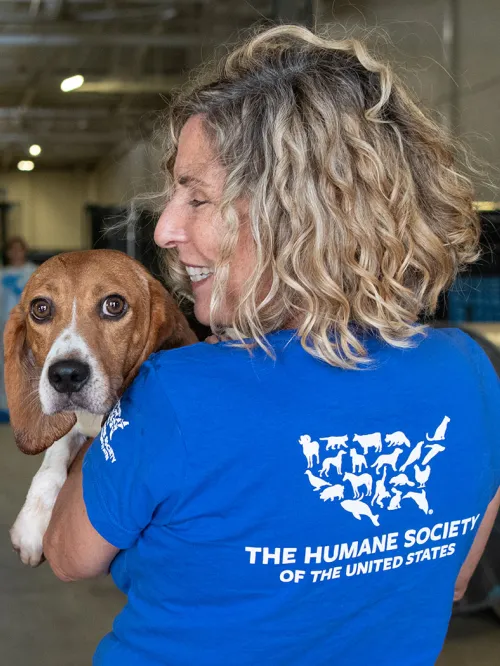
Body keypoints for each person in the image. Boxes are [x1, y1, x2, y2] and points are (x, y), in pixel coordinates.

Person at [44, 25, 500, 666]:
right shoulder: (473, 373)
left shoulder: (177, 392)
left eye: (197, 197)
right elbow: (452, 580)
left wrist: (96, 432)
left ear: (299, 215)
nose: (167, 228)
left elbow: (67, 554)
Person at [0, 236, 36, 420]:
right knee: (4, 364)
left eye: (18, 249)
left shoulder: (33, 272)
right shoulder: (2, 274)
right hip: (3, 327)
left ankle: (27, 406)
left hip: (27, 327)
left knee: (27, 362)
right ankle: (5, 406)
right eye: (11, 249)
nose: (15, 253)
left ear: (24, 251)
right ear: (7, 253)